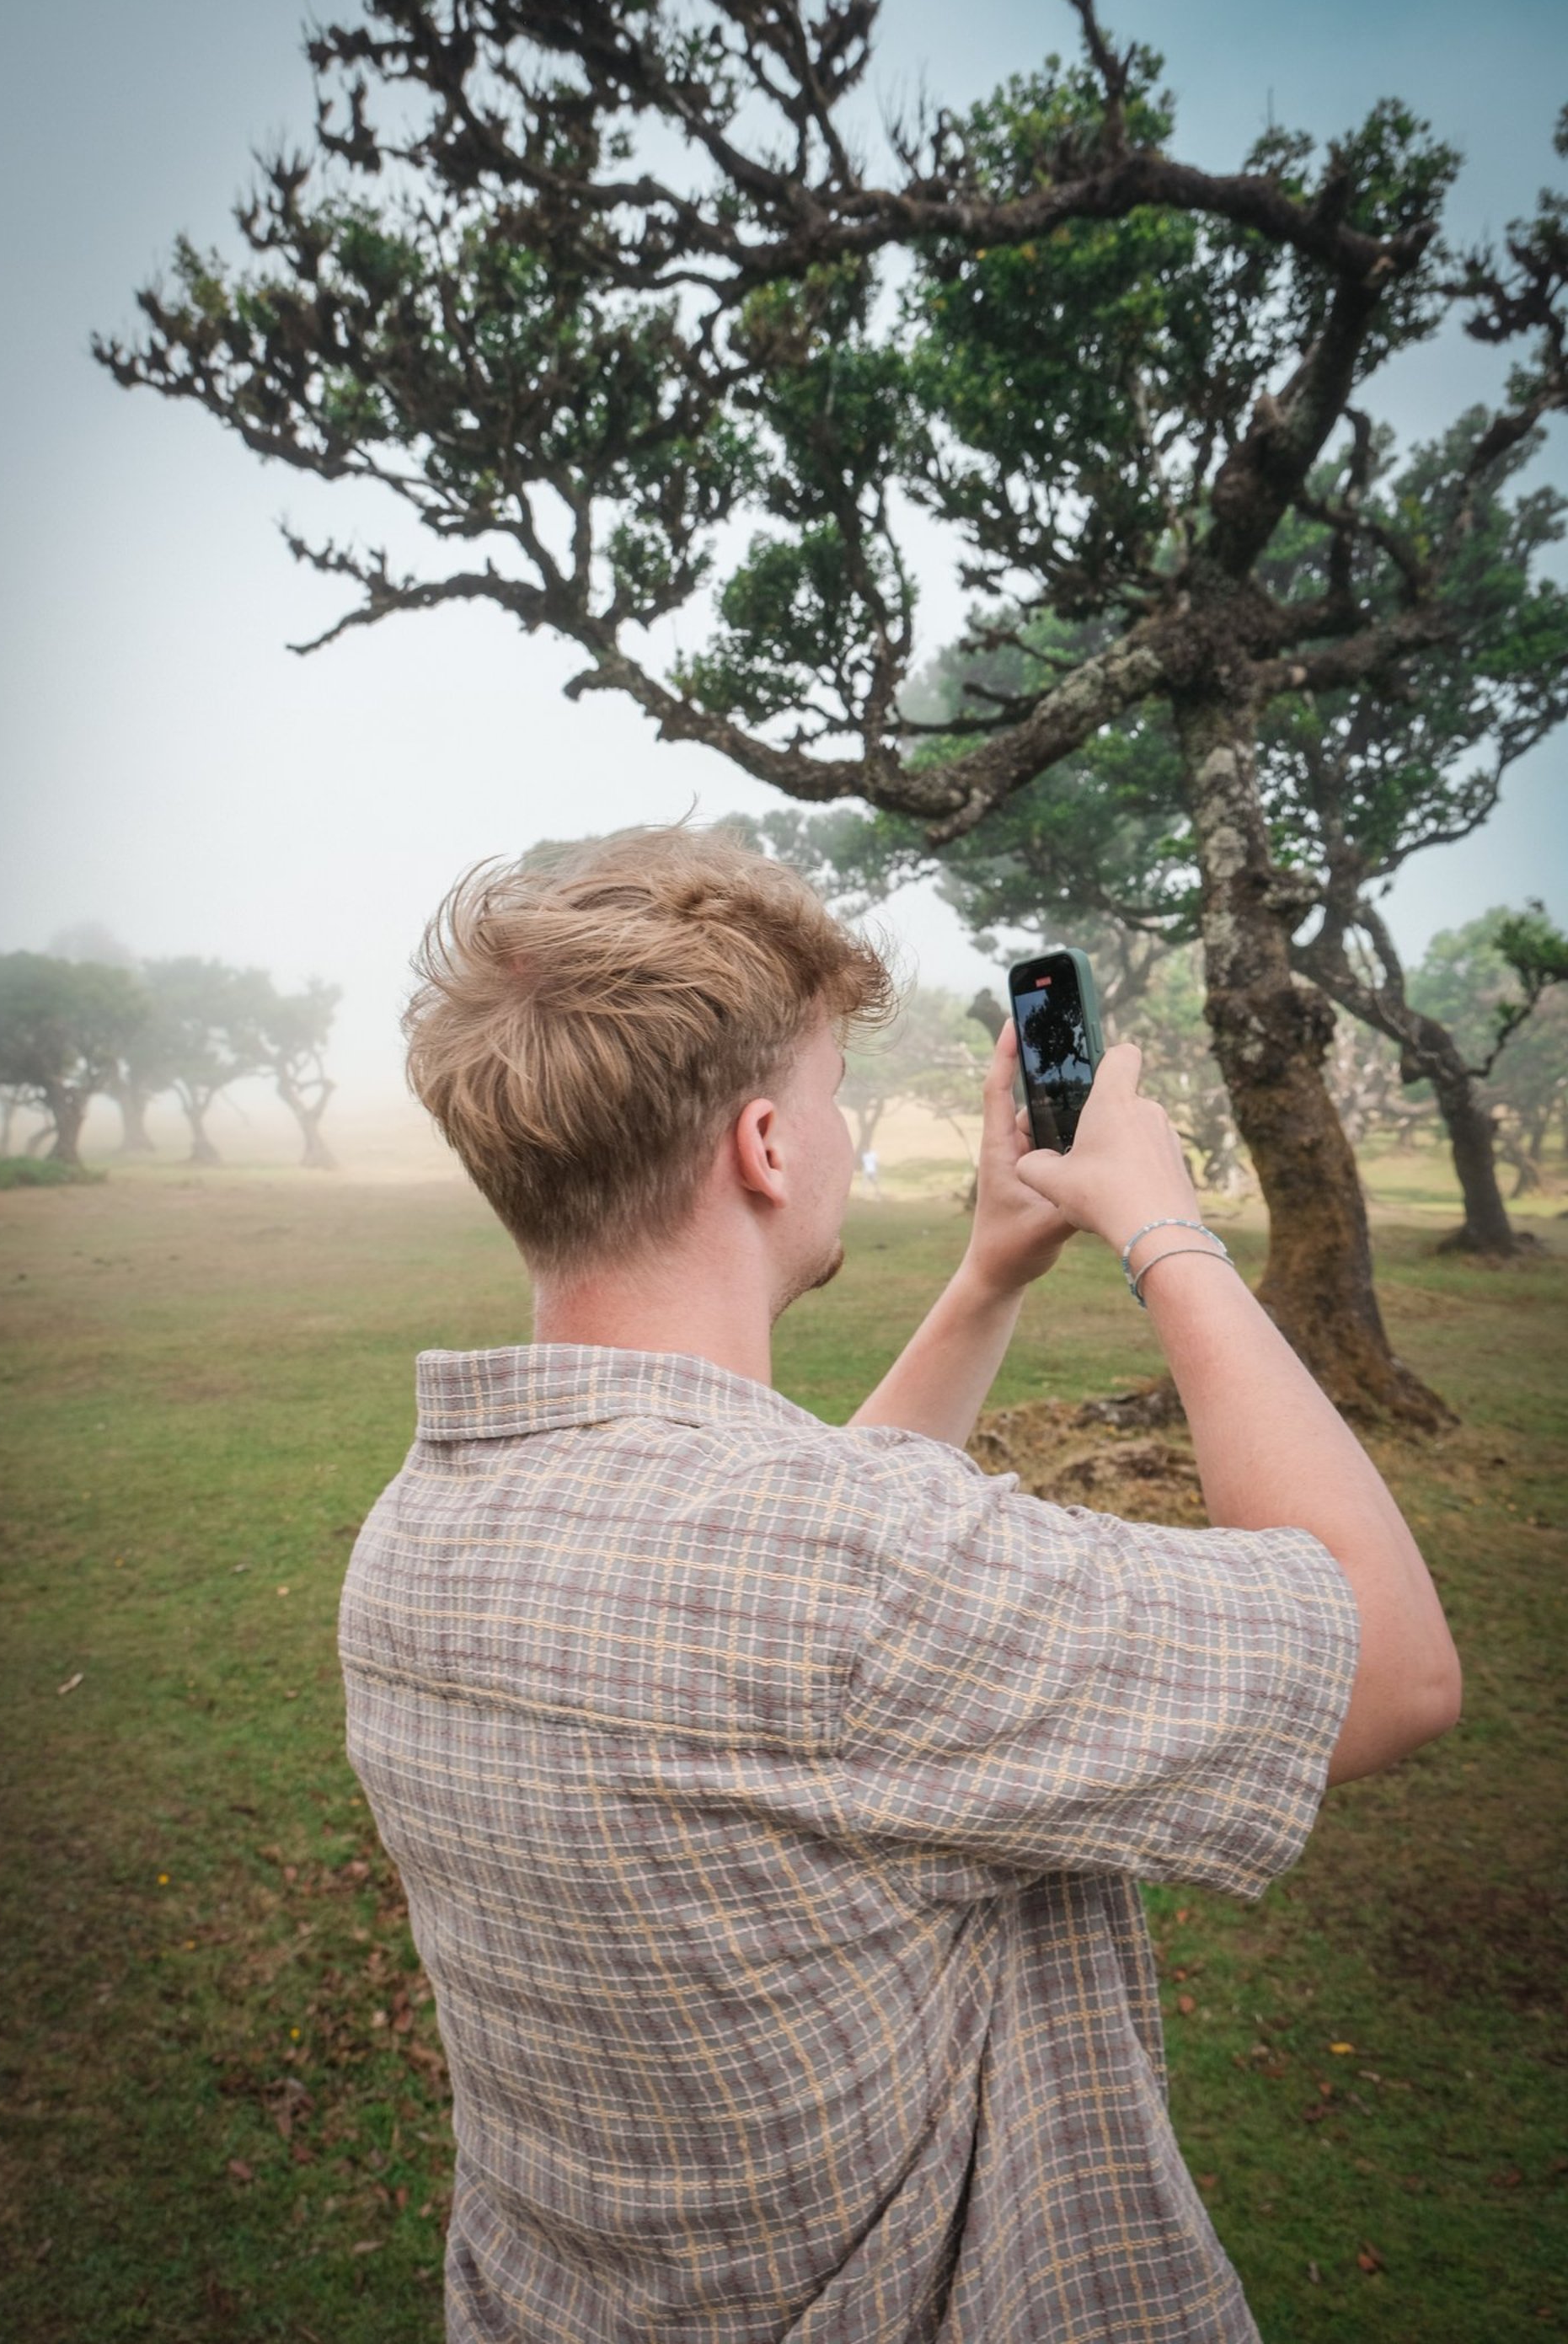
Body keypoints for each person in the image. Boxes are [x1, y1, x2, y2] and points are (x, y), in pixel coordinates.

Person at [340, 825, 1459, 2344]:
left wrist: (991, 1269)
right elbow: (1391, 1663)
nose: (847, 1133)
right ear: (766, 1146)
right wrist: (1162, 1226)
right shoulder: (844, 1583)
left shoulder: (419, 1529)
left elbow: (783, 1622)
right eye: (832, 1095)